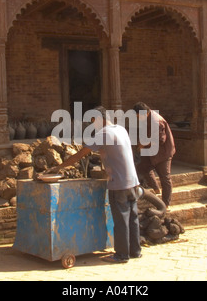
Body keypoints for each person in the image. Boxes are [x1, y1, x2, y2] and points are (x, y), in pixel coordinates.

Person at [50, 106, 142, 263]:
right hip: (133, 181)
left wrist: (59, 167)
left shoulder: (103, 134)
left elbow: (80, 154)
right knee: (133, 218)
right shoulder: (121, 129)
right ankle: (135, 251)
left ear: (99, 119)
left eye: (94, 122)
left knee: (120, 221)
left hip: (118, 183)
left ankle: (121, 255)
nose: (94, 126)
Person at [133, 102, 176, 207]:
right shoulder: (146, 119)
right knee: (143, 168)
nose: (137, 118)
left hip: (163, 153)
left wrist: (144, 144)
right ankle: (156, 189)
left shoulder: (156, 121)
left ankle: (165, 204)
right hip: (151, 151)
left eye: (138, 116)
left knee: (165, 177)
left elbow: (160, 139)